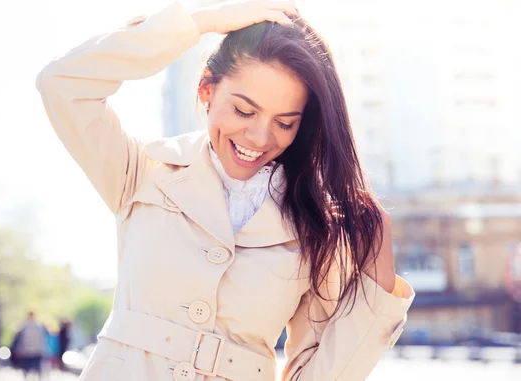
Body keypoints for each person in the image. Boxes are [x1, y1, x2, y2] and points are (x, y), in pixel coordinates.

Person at [35, 1, 416, 380]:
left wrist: (377, 283)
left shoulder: (314, 225)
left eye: (285, 122)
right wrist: (201, 23)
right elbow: (63, 82)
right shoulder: (142, 172)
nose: (260, 137)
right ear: (206, 89)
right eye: (244, 111)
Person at [11, 311, 46, 380]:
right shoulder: (39, 326)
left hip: (27, 352)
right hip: (35, 351)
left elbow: (20, 340)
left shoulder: (23, 326)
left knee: (26, 369)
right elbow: (42, 339)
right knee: (36, 369)